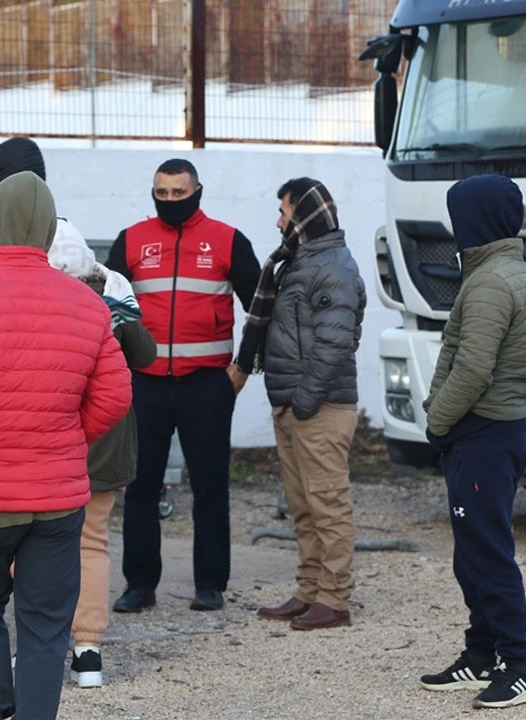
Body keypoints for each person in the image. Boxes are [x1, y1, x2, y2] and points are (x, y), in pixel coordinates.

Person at [0, 172, 132, 720]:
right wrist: (64, 438)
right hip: (57, 498)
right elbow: (115, 395)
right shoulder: (87, 304)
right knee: (45, 623)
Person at [0, 136, 157, 687]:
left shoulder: (4, 278)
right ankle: (88, 653)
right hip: (102, 428)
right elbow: (145, 356)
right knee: (91, 539)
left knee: (23, 539)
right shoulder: (109, 282)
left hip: (33, 425)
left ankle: (35, 648)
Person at [106, 158, 260, 614]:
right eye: (162, 193)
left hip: (208, 386)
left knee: (211, 487)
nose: (171, 201)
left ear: (198, 191)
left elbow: (261, 307)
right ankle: (139, 585)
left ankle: (210, 585)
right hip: (145, 385)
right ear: (152, 193)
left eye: (179, 192)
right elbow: (107, 307)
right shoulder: (131, 240)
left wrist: (243, 367)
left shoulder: (229, 240)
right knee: (139, 488)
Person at [417, 174, 526, 709]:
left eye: (458, 215)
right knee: (473, 553)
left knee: (488, 553)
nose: (454, 226)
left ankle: (517, 667)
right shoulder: (500, 271)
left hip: (485, 432)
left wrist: (436, 422)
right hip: (487, 431)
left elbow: (471, 368)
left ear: (477, 218)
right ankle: (481, 654)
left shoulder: (493, 280)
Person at [243, 178, 365, 631]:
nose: (279, 222)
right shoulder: (298, 262)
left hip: (320, 407)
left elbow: (335, 344)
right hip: (295, 404)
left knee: (328, 504)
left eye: (285, 212)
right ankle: (309, 590)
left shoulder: (331, 266)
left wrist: (304, 402)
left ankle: (333, 599)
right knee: (303, 505)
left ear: (305, 216)